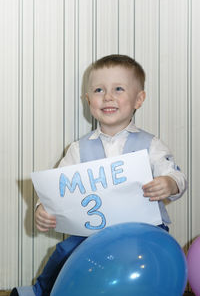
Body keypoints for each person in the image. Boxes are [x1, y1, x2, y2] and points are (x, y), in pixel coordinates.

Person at [11, 54, 187, 296]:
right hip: (91, 234)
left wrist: (169, 184)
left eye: (118, 89)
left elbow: (177, 176)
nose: (108, 97)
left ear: (139, 99)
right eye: (98, 90)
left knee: (159, 259)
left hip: (144, 233)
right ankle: (41, 290)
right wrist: (44, 209)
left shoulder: (151, 145)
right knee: (63, 252)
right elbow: (59, 187)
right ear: (87, 100)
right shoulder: (77, 149)